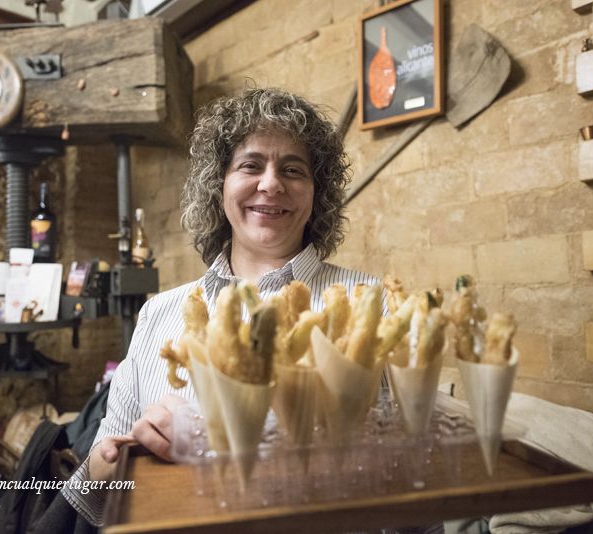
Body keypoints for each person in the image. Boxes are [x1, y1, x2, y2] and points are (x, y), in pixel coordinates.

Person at [62, 87, 388, 526]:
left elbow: (411, 486)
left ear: (316, 194)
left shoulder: (367, 305)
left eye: (293, 170)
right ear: (219, 186)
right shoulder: (160, 314)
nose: (271, 183)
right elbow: (92, 491)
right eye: (250, 165)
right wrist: (130, 452)